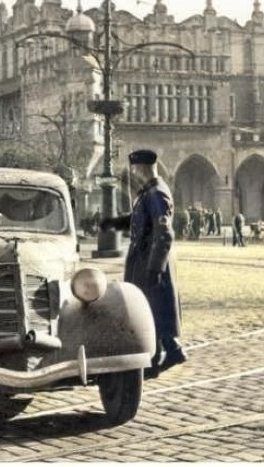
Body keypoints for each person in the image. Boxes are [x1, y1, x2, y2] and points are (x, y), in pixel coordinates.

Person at [100, 149, 186, 378]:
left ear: (142, 169)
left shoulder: (157, 193)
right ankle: (161, 356)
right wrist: (114, 223)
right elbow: (140, 220)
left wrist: (154, 269)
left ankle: (164, 355)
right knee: (150, 309)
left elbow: (164, 233)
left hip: (151, 261)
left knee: (150, 309)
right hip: (144, 260)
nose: (133, 174)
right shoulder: (149, 193)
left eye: (135, 169)